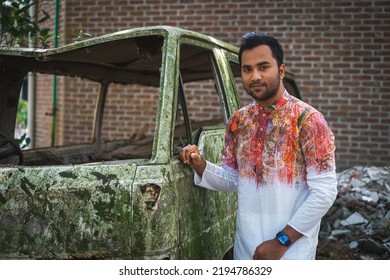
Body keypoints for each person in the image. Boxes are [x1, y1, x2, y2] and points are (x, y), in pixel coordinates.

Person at [179, 32, 338, 260]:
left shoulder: (308, 120)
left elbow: (324, 193)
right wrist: (200, 165)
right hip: (246, 250)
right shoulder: (239, 121)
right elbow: (234, 180)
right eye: (247, 69)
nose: (255, 76)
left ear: (280, 71)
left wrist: (281, 241)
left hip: (291, 253)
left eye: (263, 67)